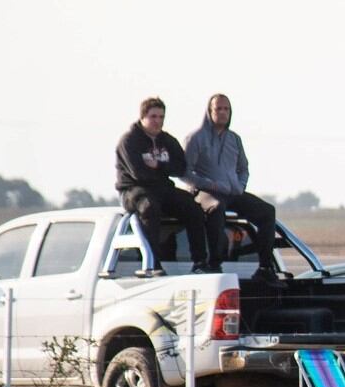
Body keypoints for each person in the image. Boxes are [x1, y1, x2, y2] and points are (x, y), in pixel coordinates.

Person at [182, 94, 280, 278]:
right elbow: (185, 173)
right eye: (218, 109)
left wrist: (240, 186)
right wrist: (210, 184)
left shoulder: (234, 139)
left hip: (232, 192)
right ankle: (214, 264)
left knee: (267, 211)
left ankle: (265, 268)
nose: (223, 112)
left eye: (226, 109)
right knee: (216, 208)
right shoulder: (195, 138)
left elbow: (243, 168)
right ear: (209, 111)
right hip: (205, 192)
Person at [114, 97, 210, 276]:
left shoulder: (168, 141)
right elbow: (139, 173)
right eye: (153, 117)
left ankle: (200, 261)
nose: (157, 121)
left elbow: (181, 167)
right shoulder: (129, 141)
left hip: (163, 188)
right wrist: (161, 167)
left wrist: (158, 165)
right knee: (149, 208)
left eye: (161, 117)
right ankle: (153, 262)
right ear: (143, 117)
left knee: (194, 208)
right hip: (134, 190)